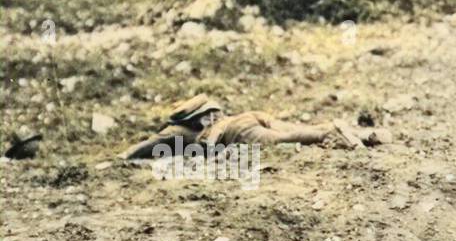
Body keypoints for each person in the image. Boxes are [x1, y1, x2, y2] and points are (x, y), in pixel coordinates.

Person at [121, 94, 385, 159]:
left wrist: (125, 156)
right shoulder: (216, 117)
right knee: (290, 128)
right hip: (249, 117)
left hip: (237, 131)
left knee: (287, 138)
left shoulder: (179, 132)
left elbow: (146, 146)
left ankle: (331, 131)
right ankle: (359, 132)